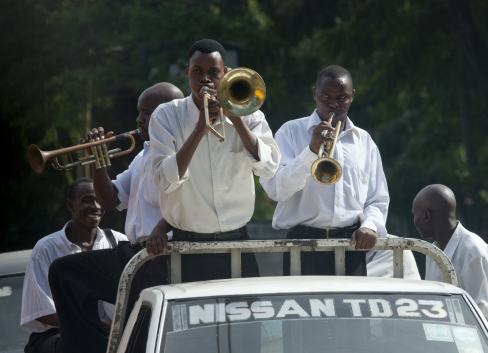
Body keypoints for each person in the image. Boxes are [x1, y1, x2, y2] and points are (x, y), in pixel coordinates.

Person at [48, 83, 184, 353]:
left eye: (146, 113)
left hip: (160, 257)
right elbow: (109, 200)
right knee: (65, 273)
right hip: (134, 254)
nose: (138, 120)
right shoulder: (143, 155)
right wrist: (98, 160)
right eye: (139, 112)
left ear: (167, 114)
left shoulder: (180, 152)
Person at [146, 38, 281, 283]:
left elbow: (270, 168)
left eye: (213, 72)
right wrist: (199, 130)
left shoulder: (250, 114)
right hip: (187, 246)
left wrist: (236, 118)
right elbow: (164, 182)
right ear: (187, 72)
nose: (205, 79)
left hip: (237, 241)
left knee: (246, 319)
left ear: (226, 74)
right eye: (197, 71)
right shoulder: (166, 116)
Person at [260, 65, 390, 276]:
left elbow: (377, 199)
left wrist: (370, 225)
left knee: (351, 308)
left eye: (342, 97)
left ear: (352, 96)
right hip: (302, 245)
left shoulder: (364, 141)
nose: (333, 104)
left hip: (351, 245)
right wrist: (310, 151)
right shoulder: (290, 132)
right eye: (326, 96)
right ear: (314, 93)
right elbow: (276, 190)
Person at [20, 177, 127, 353]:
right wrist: (91, 325)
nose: (96, 206)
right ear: (70, 205)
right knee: (82, 341)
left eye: (99, 200)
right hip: (56, 337)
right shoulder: (46, 249)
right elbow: (40, 311)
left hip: (106, 336)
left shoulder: (118, 242)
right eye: (87, 200)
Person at [412, 184, 488, 347]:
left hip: (481, 347)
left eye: (415, 215)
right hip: (448, 345)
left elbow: (486, 317)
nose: (415, 221)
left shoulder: (473, 250)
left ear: (427, 216)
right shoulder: (433, 253)